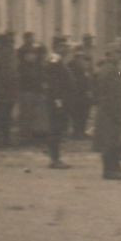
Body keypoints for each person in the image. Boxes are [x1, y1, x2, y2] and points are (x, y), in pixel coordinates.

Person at [91, 42, 121, 180]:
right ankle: (109, 170)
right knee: (109, 141)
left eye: (120, 53)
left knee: (115, 140)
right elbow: (108, 93)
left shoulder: (115, 68)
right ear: (109, 55)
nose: (119, 55)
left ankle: (116, 167)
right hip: (109, 111)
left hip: (116, 109)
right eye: (116, 53)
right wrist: (116, 110)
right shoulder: (107, 69)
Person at [41, 37, 74, 169]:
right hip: (57, 100)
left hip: (60, 99)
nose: (66, 49)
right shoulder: (54, 60)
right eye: (63, 46)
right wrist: (58, 101)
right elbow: (54, 83)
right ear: (56, 47)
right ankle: (54, 159)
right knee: (55, 128)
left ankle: (54, 155)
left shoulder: (58, 60)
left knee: (58, 128)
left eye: (66, 46)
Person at [16, 32, 48, 142]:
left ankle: (34, 134)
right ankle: (25, 134)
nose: (32, 56)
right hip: (26, 88)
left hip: (36, 88)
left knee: (36, 113)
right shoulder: (22, 55)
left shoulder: (38, 65)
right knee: (26, 112)